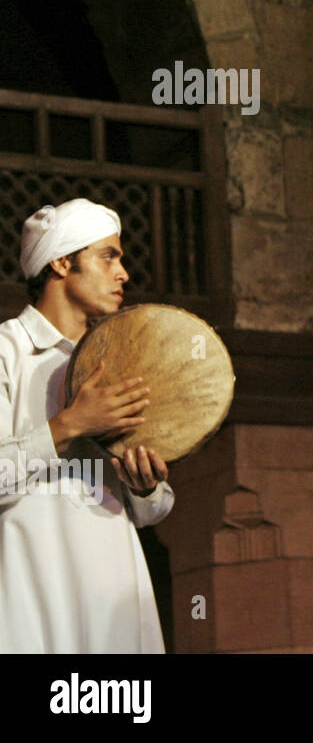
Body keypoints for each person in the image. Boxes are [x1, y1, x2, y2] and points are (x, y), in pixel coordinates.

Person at [0, 198, 174, 652]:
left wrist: (144, 487)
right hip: (30, 589)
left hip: (114, 589)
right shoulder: (7, 353)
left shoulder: (119, 359)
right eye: (108, 256)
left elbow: (154, 510)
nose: (124, 274)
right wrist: (69, 424)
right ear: (61, 261)